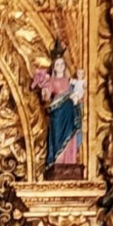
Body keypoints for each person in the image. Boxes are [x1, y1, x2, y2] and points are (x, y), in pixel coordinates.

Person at [32, 43, 84, 173]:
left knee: (71, 135)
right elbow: (47, 96)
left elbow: (79, 92)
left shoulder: (69, 81)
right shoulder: (51, 81)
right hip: (58, 112)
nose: (60, 67)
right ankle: (58, 160)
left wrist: (77, 97)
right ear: (54, 67)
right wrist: (43, 90)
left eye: (62, 64)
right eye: (57, 65)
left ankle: (69, 161)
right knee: (57, 137)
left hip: (69, 111)